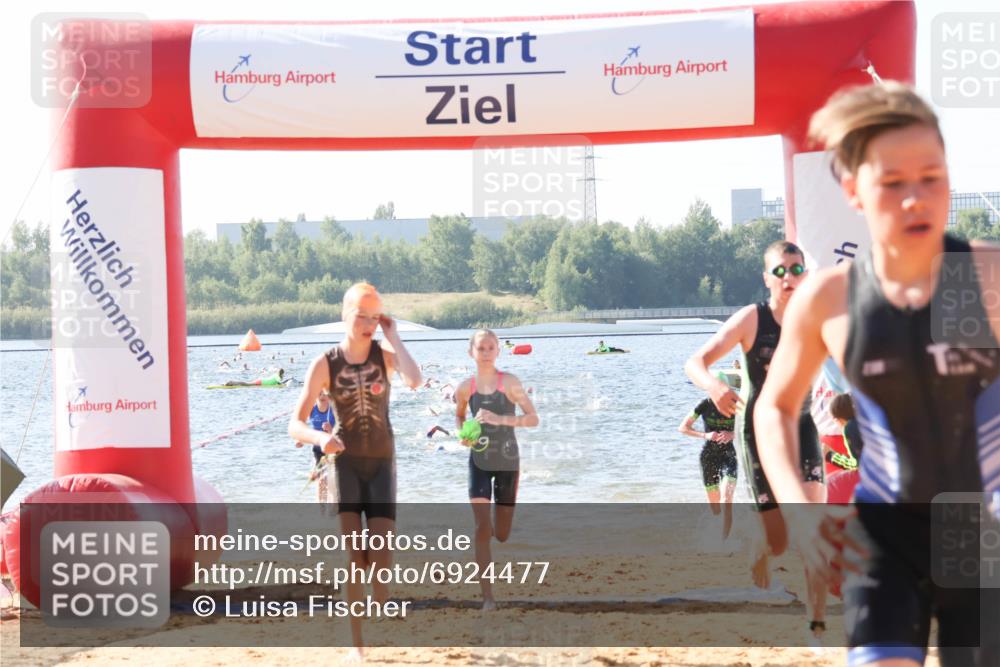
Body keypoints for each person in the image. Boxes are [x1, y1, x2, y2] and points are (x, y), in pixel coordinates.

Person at [754, 82, 1000, 667]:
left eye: (932, 177)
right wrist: (802, 512)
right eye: (892, 184)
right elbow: (774, 407)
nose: (916, 199)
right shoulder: (831, 299)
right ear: (854, 190)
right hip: (882, 539)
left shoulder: (987, 279)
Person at [684, 239, 828, 641]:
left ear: (805, 274)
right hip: (759, 430)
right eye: (779, 271)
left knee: (812, 517)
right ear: (767, 278)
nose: (788, 278)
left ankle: (816, 622)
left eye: (796, 269)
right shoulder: (753, 318)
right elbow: (695, 361)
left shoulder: (816, 317)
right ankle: (760, 547)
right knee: (779, 540)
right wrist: (714, 387)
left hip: (801, 424)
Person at [289, 282, 421, 659]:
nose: (367, 323)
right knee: (354, 559)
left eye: (373, 316)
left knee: (378, 562)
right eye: (360, 315)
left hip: (382, 464)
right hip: (345, 465)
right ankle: (356, 646)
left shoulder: (385, 354)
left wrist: (395, 335)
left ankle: (381, 592)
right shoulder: (326, 363)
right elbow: (294, 424)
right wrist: (320, 437)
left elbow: (415, 379)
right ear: (345, 315)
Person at [454, 329, 539, 610]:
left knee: (500, 533)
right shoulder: (465, 387)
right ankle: (487, 597)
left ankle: (493, 528)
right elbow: (459, 417)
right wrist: (463, 436)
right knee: (481, 527)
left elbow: (533, 419)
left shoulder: (510, 383)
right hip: (478, 461)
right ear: (472, 353)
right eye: (481, 348)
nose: (486, 352)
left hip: (507, 461)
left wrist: (499, 419)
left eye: (491, 347)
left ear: (498, 351)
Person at [677, 372, 738, 541]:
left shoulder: (737, 405)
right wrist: (706, 436)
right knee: (716, 508)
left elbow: (753, 429)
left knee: (727, 500)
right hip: (708, 457)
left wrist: (733, 434)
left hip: (729, 456)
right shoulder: (703, 405)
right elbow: (683, 428)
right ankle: (714, 532)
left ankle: (724, 541)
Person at [294, 390, 336, 506]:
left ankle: (334, 508)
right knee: (321, 480)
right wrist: (298, 440)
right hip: (318, 449)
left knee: (331, 479)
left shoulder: (333, 410)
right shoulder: (312, 409)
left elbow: (342, 432)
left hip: (333, 448)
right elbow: (299, 424)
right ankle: (321, 507)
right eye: (319, 393)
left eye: (324, 394)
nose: (322, 396)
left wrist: (330, 430)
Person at [826, 393, 863, 471]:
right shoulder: (864, 419)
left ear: (838, 419)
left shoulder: (850, 428)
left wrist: (831, 456)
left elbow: (856, 465)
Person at [223, 368, 290, 387]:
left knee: (247, 384)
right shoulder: (277, 376)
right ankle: (231, 382)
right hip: (261, 382)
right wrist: (287, 381)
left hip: (261, 381)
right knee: (246, 384)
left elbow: (278, 383)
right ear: (282, 373)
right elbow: (279, 382)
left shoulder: (276, 375)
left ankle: (232, 382)